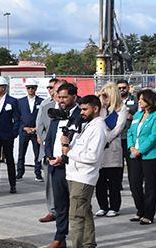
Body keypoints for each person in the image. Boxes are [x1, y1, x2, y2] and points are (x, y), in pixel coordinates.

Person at [50, 95, 107, 248]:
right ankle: (89, 244)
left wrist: (68, 152)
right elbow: (79, 147)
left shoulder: (99, 128)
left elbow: (92, 156)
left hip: (84, 177)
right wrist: (67, 142)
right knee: (85, 212)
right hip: (74, 174)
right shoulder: (87, 124)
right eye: (80, 109)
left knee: (76, 216)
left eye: (84, 109)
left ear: (95, 109)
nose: (81, 113)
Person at [43, 83, 81, 248]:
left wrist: (64, 158)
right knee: (60, 205)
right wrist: (50, 157)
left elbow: (80, 142)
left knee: (78, 208)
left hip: (74, 167)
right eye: (59, 97)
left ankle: (81, 241)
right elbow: (49, 139)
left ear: (74, 96)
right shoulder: (57, 114)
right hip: (56, 167)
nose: (62, 101)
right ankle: (60, 238)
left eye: (65, 97)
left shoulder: (81, 114)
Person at [126, 89, 156, 225]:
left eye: (142, 99)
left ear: (149, 100)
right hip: (134, 153)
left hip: (150, 154)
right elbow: (130, 132)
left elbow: (155, 136)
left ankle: (149, 214)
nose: (140, 101)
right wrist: (131, 148)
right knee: (134, 182)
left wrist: (140, 150)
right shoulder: (137, 114)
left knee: (150, 185)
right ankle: (140, 210)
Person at [94, 84, 128, 217]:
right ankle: (103, 206)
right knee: (100, 181)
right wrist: (97, 97)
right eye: (103, 95)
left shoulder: (121, 108)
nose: (104, 98)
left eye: (106, 95)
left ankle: (114, 207)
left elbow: (118, 128)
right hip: (99, 149)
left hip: (112, 146)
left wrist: (105, 139)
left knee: (113, 181)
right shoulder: (100, 108)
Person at [36, 79, 62, 223]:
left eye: (59, 90)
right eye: (53, 90)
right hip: (48, 153)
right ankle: (52, 210)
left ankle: (65, 210)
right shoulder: (47, 106)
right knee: (49, 183)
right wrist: (48, 145)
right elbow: (40, 126)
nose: (56, 93)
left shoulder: (72, 109)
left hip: (64, 154)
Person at [17, 79, 44, 181]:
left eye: (33, 87)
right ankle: (20, 172)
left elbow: (42, 117)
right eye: (29, 87)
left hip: (36, 132)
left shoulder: (41, 101)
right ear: (26, 89)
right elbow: (17, 117)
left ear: (36, 88)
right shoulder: (20, 102)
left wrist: (36, 128)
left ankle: (38, 173)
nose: (31, 89)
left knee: (37, 154)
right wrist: (24, 128)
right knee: (21, 153)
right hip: (24, 131)